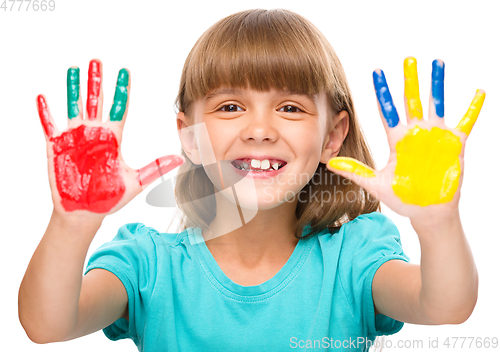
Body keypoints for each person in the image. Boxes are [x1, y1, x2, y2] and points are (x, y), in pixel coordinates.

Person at [18, 8, 482, 352]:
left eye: (290, 108)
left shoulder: (355, 257)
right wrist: (72, 223)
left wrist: (437, 224)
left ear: (332, 137)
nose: (260, 129)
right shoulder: (148, 264)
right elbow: (46, 325)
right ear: (190, 135)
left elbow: (445, 306)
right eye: (231, 107)